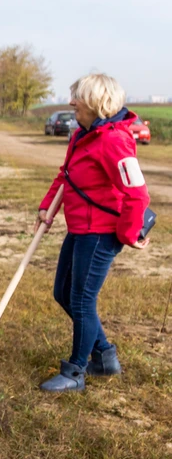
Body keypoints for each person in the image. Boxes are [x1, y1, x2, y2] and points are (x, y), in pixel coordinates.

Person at [35, 73, 151, 392]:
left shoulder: (115, 141)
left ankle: (75, 372)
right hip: (79, 228)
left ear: (97, 103)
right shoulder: (83, 134)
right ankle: (104, 356)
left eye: (79, 98)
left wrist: (128, 236)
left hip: (100, 234)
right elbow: (66, 175)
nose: (72, 102)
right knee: (63, 294)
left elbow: (137, 194)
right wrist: (48, 207)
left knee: (83, 301)